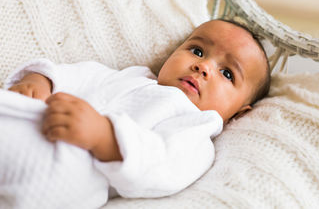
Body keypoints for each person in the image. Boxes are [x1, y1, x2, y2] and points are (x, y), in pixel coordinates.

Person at [1, 19, 270, 208]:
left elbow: (162, 165)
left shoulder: (198, 128)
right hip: (34, 125)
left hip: (67, 174)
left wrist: (104, 137)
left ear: (237, 113)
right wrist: (40, 81)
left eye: (227, 73)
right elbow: (78, 75)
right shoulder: (133, 77)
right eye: (197, 51)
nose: (203, 67)